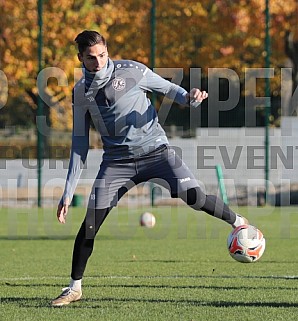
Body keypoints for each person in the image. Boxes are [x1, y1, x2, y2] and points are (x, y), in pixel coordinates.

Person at [51, 30, 248, 307]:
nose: (99, 62)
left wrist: (189, 96)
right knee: (91, 223)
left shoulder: (132, 71)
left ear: (108, 50)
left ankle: (238, 222)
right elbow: (79, 145)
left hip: (156, 153)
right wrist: (68, 192)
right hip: (117, 163)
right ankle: (74, 287)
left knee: (194, 197)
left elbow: (169, 90)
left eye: (103, 55)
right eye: (92, 58)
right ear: (80, 58)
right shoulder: (81, 93)